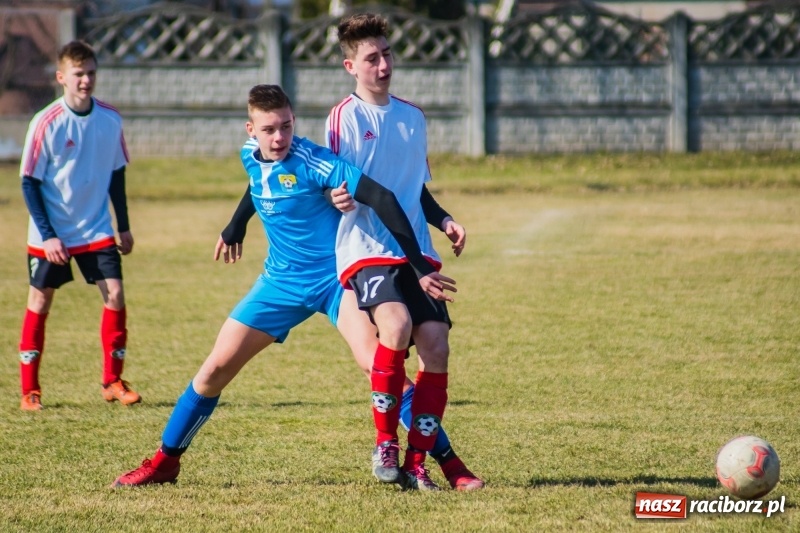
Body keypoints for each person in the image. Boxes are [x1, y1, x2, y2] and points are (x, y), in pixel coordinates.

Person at [111, 84, 455, 488]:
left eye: (286, 127)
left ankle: (447, 463)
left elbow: (379, 195)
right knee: (214, 370)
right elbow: (258, 181)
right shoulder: (250, 154)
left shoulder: (313, 159)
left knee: (376, 365)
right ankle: (164, 463)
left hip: (334, 281)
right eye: (269, 130)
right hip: (280, 282)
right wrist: (236, 224)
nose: (279, 138)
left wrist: (419, 265)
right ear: (251, 131)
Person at [325, 12, 479, 491]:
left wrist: (445, 219)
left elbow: (415, 189)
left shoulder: (413, 116)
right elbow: (335, 181)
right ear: (351, 66)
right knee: (394, 326)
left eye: (387, 54)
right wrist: (335, 196)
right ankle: (385, 442)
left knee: (436, 345)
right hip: (368, 248)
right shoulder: (345, 117)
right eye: (372, 58)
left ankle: (416, 462)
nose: (384, 65)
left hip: (418, 251)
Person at [17, 40, 140, 411]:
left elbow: (116, 175)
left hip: (96, 228)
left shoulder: (110, 119)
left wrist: (124, 225)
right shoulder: (46, 122)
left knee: (115, 294)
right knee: (40, 301)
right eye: (78, 74)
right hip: (51, 233)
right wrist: (49, 236)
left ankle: (112, 381)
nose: (86, 80)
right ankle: (30, 390)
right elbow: (29, 182)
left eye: (91, 73)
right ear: (61, 77)